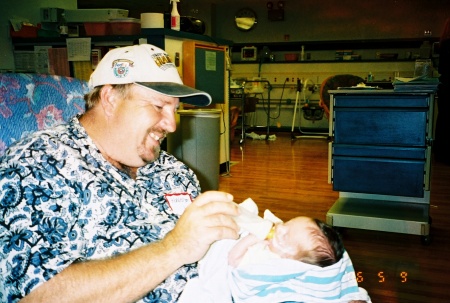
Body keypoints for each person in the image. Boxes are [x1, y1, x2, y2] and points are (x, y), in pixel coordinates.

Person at [0, 44, 241, 303]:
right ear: (110, 99)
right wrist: (174, 248)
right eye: (159, 106)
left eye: (175, 109)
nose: (171, 125)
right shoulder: (38, 165)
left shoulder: (173, 171)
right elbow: (37, 295)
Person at [179, 199, 371, 303]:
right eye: (286, 224)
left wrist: (250, 239)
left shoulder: (267, 263)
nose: (279, 229)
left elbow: (233, 259)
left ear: (292, 261)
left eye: (285, 236)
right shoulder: (273, 246)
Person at [435, 17, 450, 165]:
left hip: (445, 86)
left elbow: (441, 68)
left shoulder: (443, 44)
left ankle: (441, 154)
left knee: (443, 119)